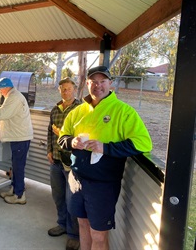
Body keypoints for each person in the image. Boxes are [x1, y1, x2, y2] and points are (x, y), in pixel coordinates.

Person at [58, 66, 152, 250]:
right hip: (76, 178)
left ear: (111, 83)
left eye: (102, 81)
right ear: (87, 84)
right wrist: (72, 142)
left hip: (103, 183)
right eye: (94, 82)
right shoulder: (77, 111)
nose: (98, 86)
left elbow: (143, 143)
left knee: (98, 235)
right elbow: (62, 137)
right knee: (83, 226)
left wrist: (106, 148)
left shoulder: (123, 111)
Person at [0, 77, 33, 204]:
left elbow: (3, 114)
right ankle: (14, 189)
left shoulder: (14, 97)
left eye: (0, 89)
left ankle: (19, 196)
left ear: (4, 88)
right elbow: (4, 113)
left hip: (20, 137)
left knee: (18, 167)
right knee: (15, 166)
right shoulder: (12, 96)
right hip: (18, 136)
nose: (0, 92)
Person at [47, 77, 81, 250]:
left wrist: (62, 133)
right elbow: (49, 133)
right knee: (58, 196)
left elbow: (82, 135)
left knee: (72, 199)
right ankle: (62, 224)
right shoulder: (55, 109)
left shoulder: (81, 109)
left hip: (72, 161)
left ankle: (74, 235)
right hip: (56, 160)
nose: (65, 91)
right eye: (62, 89)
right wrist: (49, 150)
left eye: (68, 89)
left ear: (74, 89)